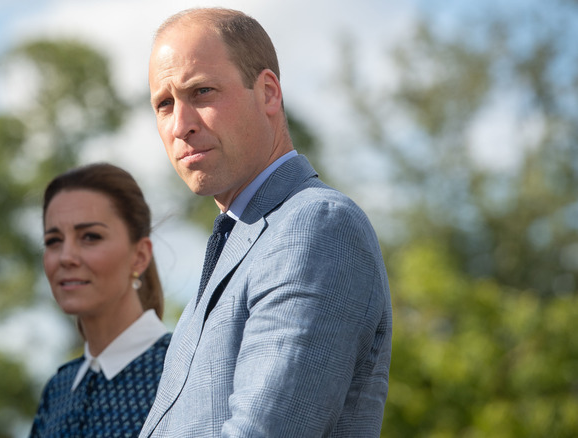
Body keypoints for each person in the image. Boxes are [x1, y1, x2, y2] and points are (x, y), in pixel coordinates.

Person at [141, 7, 392, 437]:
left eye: (201, 92)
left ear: (269, 93)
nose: (180, 125)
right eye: (165, 104)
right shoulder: (237, 242)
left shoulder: (315, 226)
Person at [29, 163, 171, 438]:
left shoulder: (183, 370)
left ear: (140, 256)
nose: (66, 257)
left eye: (90, 237)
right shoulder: (58, 390)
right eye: (53, 240)